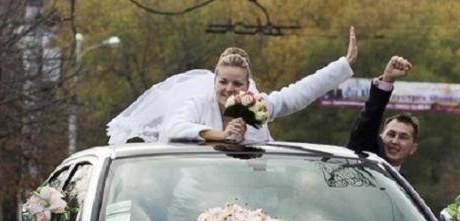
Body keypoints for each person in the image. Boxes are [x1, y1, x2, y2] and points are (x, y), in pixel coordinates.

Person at [163, 27, 359, 144]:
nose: (229, 88)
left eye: (237, 83)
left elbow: (300, 93)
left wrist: (343, 64)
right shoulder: (200, 104)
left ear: (248, 86)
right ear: (214, 81)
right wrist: (221, 135)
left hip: (250, 186)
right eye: (223, 82)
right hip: (199, 191)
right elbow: (174, 128)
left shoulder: (258, 106)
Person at [346, 55, 418, 171]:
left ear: (413, 149)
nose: (394, 141)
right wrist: (387, 80)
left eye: (403, 137)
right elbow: (369, 119)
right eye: (391, 134)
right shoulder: (362, 161)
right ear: (381, 137)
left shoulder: (404, 187)